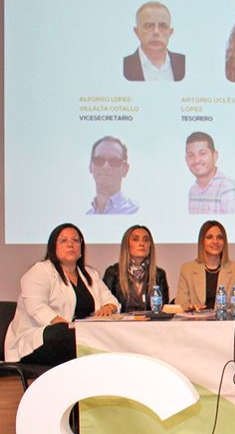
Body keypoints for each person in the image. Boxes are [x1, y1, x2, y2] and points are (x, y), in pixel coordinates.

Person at [5, 224, 119, 366]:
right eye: (63, 240)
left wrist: (108, 308)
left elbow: (111, 300)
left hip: (79, 336)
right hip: (39, 339)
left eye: (76, 240)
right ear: (53, 247)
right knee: (65, 334)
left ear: (81, 249)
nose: (70, 244)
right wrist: (71, 327)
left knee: (107, 334)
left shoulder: (90, 274)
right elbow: (37, 309)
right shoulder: (40, 271)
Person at [174, 220, 235, 310]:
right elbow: (181, 303)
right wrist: (193, 308)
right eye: (209, 237)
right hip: (195, 322)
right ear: (202, 241)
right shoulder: (187, 269)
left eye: (220, 237)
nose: (215, 241)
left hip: (225, 322)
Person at [103, 225, 170, 312]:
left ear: (150, 246)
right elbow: (106, 303)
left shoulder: (159, 274)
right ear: (126, 245)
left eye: (146, 240)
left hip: (151, 324)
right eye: (135, 239)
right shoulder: (113, 273)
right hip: (120, 325)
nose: (142, 244)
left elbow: (163, 309)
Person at [123, 1, 185, 81]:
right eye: (149, 25)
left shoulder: (184, 63)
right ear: (137, 32)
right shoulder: (124, 65)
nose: (156, 32)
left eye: (163, 26)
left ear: (170, 32)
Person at [185, 132, 235, 214]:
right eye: (191, 155)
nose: (196, 160)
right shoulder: (193, 190)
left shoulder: (229, 189)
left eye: (202, 153)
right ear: (186, 159)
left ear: (215, 156)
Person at [87, 136, 138, 215]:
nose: (106, 166)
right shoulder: (87, 215)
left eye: (114, 161)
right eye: (99, 160)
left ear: (125, 169)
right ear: (90, 167)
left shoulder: (136, 212)